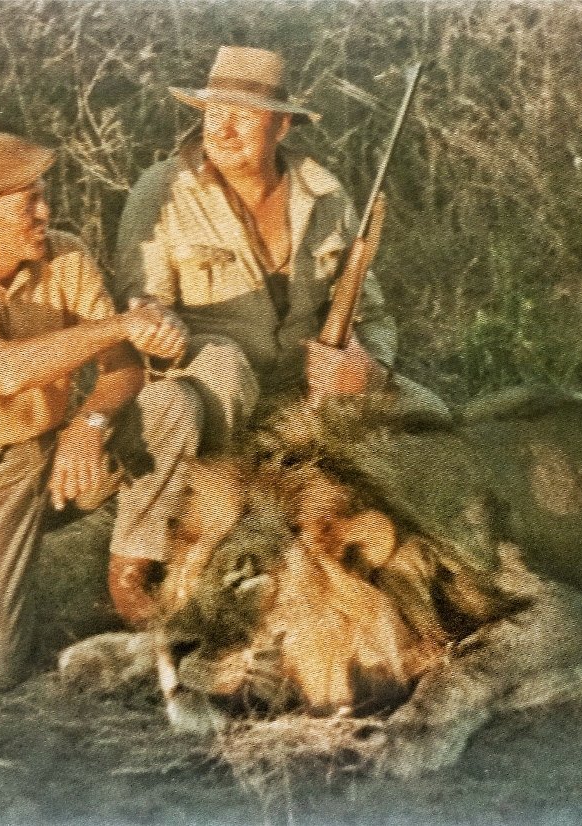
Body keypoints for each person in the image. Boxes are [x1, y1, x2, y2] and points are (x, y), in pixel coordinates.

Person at [109, 47, 446, 624]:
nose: (224, 126)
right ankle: (131, 568)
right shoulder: (160, 191)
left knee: (431, 410)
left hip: (298, 388)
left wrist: (364, 358)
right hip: (205, 386)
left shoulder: (327, 196)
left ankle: (436, 564)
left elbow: (371, 313)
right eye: (214, 110)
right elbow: (139, 311)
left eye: (244, 112)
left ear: (282, 123)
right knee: (200, 384)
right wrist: (163, 334)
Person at [0, 132, 184, 691]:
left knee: (170, 412)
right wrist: (123, 323)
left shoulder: (66, 254)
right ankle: (19, 578)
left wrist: (89, 423)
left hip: (57, 453)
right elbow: (6, 370)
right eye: (27, 202)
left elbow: (122, 369)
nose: (45, 213)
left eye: (42, 195)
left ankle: (125, 570)